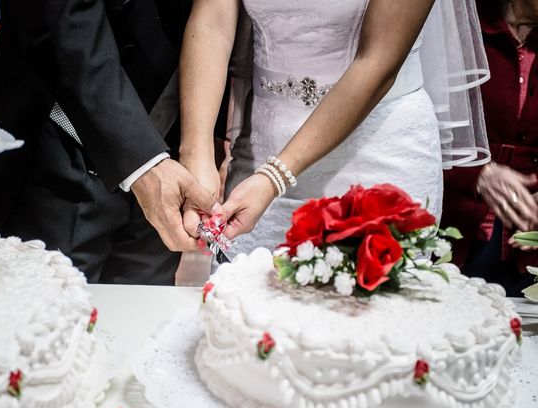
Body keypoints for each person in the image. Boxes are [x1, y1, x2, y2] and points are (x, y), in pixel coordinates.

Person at [178, 0, 489, 256]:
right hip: (264, 144)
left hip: (378, 153)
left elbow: (378, 62)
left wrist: (274, 177)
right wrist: (196, 152)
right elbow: (212, 22)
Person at [0, 0, 220, 285]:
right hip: (61, 149)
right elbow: (54, 16)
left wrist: (203, 141)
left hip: (174, 148)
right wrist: (143, 162)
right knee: (44, 312)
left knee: (145, 316)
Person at [442, 0, 538, 296]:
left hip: (528, 238)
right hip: (452, 224)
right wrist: (477, 174)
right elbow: (420, 130)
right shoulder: (461, 29)